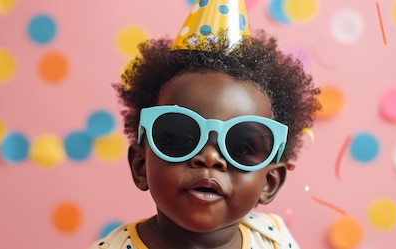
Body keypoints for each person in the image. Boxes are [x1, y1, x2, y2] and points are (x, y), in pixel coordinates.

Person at [89, 1, 320, 248]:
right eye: (180, 139)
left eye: (241, 148)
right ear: (141, 165)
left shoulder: (273, 239)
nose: (209, 158)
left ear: (269, 182)